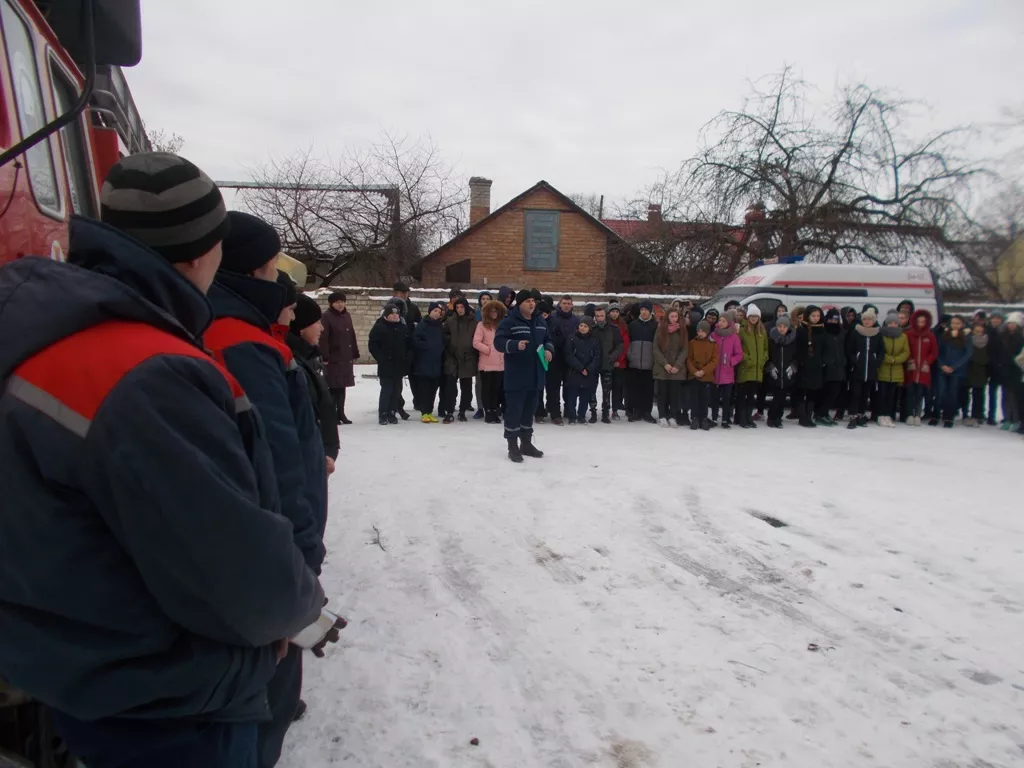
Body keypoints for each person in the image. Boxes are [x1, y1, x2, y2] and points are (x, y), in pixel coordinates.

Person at [0, 153, 325, 768]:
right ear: (205, 253)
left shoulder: (39, 328)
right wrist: (295, 607)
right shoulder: (150, 370)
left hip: (73, 658)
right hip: (167, 694)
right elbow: (229, 560)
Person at [205, 212, 330, 766]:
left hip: (266, 539)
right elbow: (276, 459)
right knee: (266, 690)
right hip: (271, 544)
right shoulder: (240, 343)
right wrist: (302, 550)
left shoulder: (245, 333)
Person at [494, 289, 552, 463]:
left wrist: (549, 349)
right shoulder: (510, 321)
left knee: (529, 411)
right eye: (527, 301)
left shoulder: (540, 321)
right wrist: (514, 345)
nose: (532, 304)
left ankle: (526, 443)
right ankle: (512, 445)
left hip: (536, 376)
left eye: (533, 301)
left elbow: (548, 339)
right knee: (514, 411)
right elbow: (498, 342)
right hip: (516, 376)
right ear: (519, 304)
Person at [288, 295, 340, 471]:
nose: (322, 328)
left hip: (317, 457)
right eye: (317, 322)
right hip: (305, 463)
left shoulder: (306, 358)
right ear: (301, 327)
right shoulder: (291, 364)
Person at [320, 291, 359, 425]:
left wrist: (354, 352)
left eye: (342, 301)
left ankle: (341, 413)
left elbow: (351, 334)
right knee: (333, 388)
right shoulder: (326, 317)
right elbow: (323, 339)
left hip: (345, 357)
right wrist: (324, 356)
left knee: (342, 387)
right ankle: (332, 415)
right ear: (331, 303)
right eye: (337, 302)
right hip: (333, 358)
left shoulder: (346, 315)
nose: (340, 304)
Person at [369, 304, 410, 424]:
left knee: (396, 390)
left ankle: (392, 412)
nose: (395, 316)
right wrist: (381, 358)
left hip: (399, 365)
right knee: (387, 389)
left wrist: (407, 358)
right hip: (386, 365)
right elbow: (373, 345)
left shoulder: (402, 328)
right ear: (386, 315)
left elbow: (409, 344)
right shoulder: (379, 327)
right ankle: (383, 413)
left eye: (397, 314)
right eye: (392, 314)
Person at [441, 297, 479, 423]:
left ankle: (462, 411)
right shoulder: (450, 321)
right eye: (457, 307)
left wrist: (473, 352)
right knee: (450, 387)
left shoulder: (474, 322)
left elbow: (477, 338)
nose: (460, 310)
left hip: (468, 358)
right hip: (452, 358)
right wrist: (448, 344)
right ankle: (450, 412)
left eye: (462, 307)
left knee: (466, 388)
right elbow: (444, 334)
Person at [545, 295, 580, 425]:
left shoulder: (576, 320)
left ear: (572, 305)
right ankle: (554, 413)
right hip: (555, 357)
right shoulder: (553, 318)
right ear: (559, 304)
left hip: (570, 358)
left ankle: (569, 409)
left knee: (569, 386)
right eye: (564, 303)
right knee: (553, 387)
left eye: (568, 303)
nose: (566, 305)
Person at [846, 307, 884, 429]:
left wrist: (876, 361)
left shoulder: (878, 333)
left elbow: (881, 351)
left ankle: (861, 414)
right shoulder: (856, 331)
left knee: (865, 394)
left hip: (871, 369)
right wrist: (855, 360)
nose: (867, 322)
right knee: (855, 393)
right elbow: (850, 349)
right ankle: (852, 416)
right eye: (865, 319)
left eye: (870, 319)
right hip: (858, 369)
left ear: (874, 321)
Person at [933, 315, 971, 428]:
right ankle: (935, 415)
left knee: (952, 394)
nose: (955, 325)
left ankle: (948, 417)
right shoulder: (944, 335)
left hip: (957, 371)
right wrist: (942, 365)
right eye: (953, 323)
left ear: (962, 325)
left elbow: (967, 354)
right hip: (942, 369)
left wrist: (954, 367)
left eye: (957, 323)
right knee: (940, 393)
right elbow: (937, 351)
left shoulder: (967, 337)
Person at [653, 307, 688, 427]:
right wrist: (665, 364)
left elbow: (684, 349)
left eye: (676, 317)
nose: (674, 319)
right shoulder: (660, 329)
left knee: (674, 394)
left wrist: (677, 365)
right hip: (663, 367)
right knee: (662, 393)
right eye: (672, 316)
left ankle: (673, 416)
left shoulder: (682, 330)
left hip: (676, 368)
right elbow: (655, 348)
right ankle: (662, 415)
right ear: (668, 317)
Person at [473, 300, 507, 423]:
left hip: (500, 362)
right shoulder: (481, 325)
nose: (494, 313)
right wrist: (488, 350)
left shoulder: (502, 325)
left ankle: (494, 410)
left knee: (496, 389)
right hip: (486, 363)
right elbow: (476, 342)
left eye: (496, 311)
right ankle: (487, 411)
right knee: (486, 388)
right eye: (492, 311)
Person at [563, 316, 602, 424]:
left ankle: (581, 416)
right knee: (572, 396)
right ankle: (572, 416)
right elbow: (568, 355)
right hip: (574, 372)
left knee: (585, 396)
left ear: (590, 328)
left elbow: (597, 357)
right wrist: (580, 368)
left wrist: (589, 369)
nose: (582, 328)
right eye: (581, 325)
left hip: (588, 373)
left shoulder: (594, 341)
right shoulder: (571, 338)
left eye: (585, 326)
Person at [903, 309, 938, 426]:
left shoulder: (930, 335)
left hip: (923, 371)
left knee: (920, 394)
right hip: (911, 370)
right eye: (919, 322)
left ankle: (917, 414)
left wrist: (927, 362)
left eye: (923, 322)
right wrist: (909, 360)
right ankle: (908, 414)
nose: (920, 324)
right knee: (909, 392)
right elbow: (905, 348)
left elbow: (934, 352)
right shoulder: (908, 334)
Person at [412, 302, 446, 423]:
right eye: (435, 311)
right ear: (430, 311)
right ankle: (424, 412)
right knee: (424, 389)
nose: (437, 314)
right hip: (424, 362)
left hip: (436, 363)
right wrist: (427, 346)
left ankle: (430, 412)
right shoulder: (423, 324)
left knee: (433, 389)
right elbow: (415, 340)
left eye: (439, 312)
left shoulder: (440, 327)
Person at [736, 304, 768, 428]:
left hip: (757, 369)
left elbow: (766, 348)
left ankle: (749, 417)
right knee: (742, 395)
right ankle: (741, 418)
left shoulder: (762, 331)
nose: (754, 318)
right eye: (752, 316)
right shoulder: (742, 330)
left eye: (756, 316)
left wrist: (763, 359)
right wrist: (746, 358)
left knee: (751, 396)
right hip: (745, 367)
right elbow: (737, 347)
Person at [793, 305, 825, 428]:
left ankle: (809, 414)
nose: (816, 318)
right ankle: (802, 416)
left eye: (818, 316)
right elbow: (798, 347)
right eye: (813, 316)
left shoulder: (822, 329)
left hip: (817, 365)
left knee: (813, 391)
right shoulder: (802, 329)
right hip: (804, 365)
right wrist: (800, 361)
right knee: (802, 391)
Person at [876, 310, 910, 427]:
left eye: (895, 323)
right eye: (890, 323)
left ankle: (888, 415)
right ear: (886, 323)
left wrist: (896, 360)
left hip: (896, 370)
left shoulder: (903, 336)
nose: (893, 325)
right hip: (883, 369)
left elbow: (906, 352)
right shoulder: (881, 335)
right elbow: (879, 351)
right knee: (882, 394)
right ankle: (880, 415)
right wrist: (889, 359)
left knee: (892, 395)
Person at [592, 305, 625, 424]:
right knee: (592, 390)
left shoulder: (614, 329)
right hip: (594, 365)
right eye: (597, 316)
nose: (600, 318)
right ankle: (593, 412)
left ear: (605, 316)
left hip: (607, 364)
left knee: (607, 391)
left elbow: (620, 345)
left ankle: (605, 413)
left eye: (601, 316)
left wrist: (612, 357)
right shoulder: (592, 329)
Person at [627, 300, 658, 423]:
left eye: (646, 310)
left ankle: (647, 412)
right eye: (642, 310)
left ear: (650, 311)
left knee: (648, 389)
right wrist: (630, 355)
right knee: (635, 388)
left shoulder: (655, 325)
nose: (644, 312)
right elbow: (628, 342)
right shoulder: (633, 325)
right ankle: (637, 411)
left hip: (649, 362)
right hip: (634, 362)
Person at [710, 310, 743, 428]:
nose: (721, 323)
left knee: (727, 398)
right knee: (714, 397)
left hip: (728, 372)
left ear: (729, 322)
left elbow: (739, 354)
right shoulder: (714, 335)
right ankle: (714, 417)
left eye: (724, 321)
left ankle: (725, 418)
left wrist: (731, 361)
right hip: (715, 371)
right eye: (720, 320)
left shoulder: (734, 337)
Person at [816, 308, 846, 426]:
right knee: (826, 393)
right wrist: (825, 361)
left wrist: (844, 361)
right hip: (826, 368)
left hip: (839, 368)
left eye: (835, 319)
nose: (833, 322)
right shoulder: (823, 332)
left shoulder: (841, 332)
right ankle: (820, 413)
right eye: (831, 319)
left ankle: (824, 413)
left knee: (835, 393)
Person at [686, 320, 717, 430]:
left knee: (704, 399)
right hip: (695, 375)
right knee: (694, 398)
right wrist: (695, 371)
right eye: (698, 331)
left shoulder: (712, 344)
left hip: (706, 376)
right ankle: (694, 417)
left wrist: (704, 371)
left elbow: (714, 360)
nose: (700, 333)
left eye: (702, 331)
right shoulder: (692, 343)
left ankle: (703, 418)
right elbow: (689, 359)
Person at [963, 320, 990, 427]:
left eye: (980, 330)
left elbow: (989, 356)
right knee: (965, 393)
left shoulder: (987, 341)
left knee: (978, 394)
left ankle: (977, 415)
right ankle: (965, 414)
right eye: (976, 330)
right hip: (968, 369)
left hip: (981, 370)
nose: (978, 332)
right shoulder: (967, 339)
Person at [1000, 312, 1024, 430]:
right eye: (1010, 323)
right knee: (1006, 395)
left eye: (1014, 324)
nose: (1011, 326)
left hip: (1016, 370)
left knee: (1016, 396)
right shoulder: (1003, 336)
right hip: (1005, 368)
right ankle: (1007, 418)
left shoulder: (1020, 337)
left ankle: (1016, 419)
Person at [608, 302, 630, 419]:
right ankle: (605, 408)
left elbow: (625, 344)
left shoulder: (623, 325)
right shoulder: (605, 324)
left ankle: (615, 409)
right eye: (612, 311)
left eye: (616, 311)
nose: (614, 314)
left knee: (617, 387)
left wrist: (619, 360)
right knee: (606, 387)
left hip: (620, 362)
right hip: (607, 361)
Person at [986, 311, 1005, 425]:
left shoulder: (1004, 332)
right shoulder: (988, 331)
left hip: (1002, 366)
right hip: (990, 366)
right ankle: (991, 415)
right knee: (991, 393)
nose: (996, 320)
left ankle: (1006, 416)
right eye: (994, 318)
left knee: (1004, 393)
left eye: (998, 318)